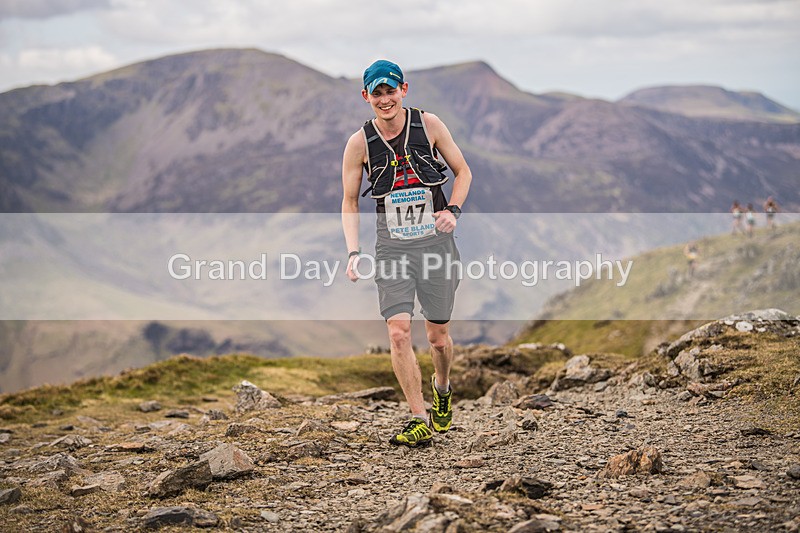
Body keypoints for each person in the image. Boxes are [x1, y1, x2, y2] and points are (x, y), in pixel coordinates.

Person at [341, 60, 473, 447]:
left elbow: (463, 172)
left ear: (404, 89)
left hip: (435, 245)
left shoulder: (429, 124)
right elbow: (350, 202)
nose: (385, 99)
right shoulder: (358, 143)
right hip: (391, 247)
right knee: (398, 333)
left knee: (437, 337)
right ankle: (418, 416)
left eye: (390, 90)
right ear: (366, 96)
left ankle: (443, 388)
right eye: (376, 93)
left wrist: (453, 211)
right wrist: (353, 252)